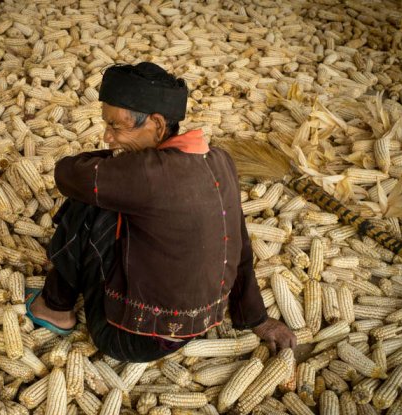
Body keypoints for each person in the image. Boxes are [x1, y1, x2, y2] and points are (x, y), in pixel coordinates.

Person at [25, 62, 297, 362]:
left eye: (115, 125)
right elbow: (239, 243)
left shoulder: (142, 172)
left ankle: (54, 306)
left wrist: (116, 159)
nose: (107, 137)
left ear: (155, 124)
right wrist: (257, 319)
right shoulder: (220, 159)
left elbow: (67, 173)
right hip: (193, 329)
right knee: (110, 194)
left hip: (127, 338)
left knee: (88, 201)